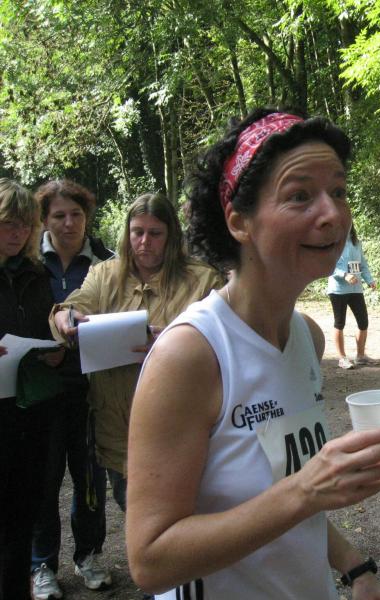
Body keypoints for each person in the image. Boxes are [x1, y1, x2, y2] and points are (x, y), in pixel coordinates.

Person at [125, 109, 380, 599]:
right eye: (300, 195)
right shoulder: (191, 354)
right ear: (239, 222)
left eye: (338, 191)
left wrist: (356, 570)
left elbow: (279, 492)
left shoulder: (306, 337)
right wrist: (307, 489)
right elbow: (150, 560)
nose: (333, 213)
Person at [49, 193, 223, 511]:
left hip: (183, 430)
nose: (144, 242)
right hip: (119, 433)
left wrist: (173, 346)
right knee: (136, 516)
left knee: (188, 517)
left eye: (155, 233)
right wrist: (65, 316)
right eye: (137, 232)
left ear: (171, 235)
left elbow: (228, 344)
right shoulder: (104, 274)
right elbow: (74, 305)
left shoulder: (202, 280)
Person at [31, 180, 115, 598]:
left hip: (91, 392)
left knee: (89, 480)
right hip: (39, 393)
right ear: (44, 220)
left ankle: (89, 555)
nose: (68, 223)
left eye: (76, 214)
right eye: (59, 215)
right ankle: (41, 565)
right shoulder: (27, 261)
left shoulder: (107, 261)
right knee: (42, 481)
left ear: (87, 217)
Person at [0, 179, 65, 599]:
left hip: (31, 410)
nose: (17, 233)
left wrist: (56, 351)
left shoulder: (37, 273)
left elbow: (47, 327)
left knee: (25, 511)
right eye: (9, 223)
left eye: (25, 225)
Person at [327, 225, 377, 369]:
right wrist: (344, 275)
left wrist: (369, 280)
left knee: (363, 322)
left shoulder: (356, 243)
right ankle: (342, 358)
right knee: (339, 323)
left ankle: (360, 356)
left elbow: (362, 264)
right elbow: (329, 265)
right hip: (338, 290)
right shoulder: (332, 243)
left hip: (356, 290)